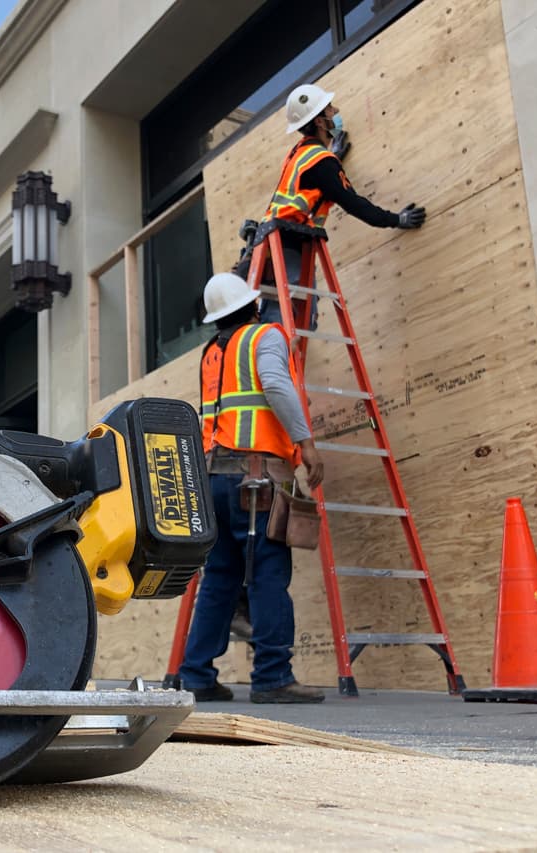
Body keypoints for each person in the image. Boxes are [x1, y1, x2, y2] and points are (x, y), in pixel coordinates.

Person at [179, 272, 326, 704]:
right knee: (267, 575)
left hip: (213, 480)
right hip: (255, 477)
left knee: (220, 577)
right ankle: (272, 677)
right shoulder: (265, 336)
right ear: (254, 305)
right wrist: (305, 442)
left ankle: (197, 676)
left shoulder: (212, 352)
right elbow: (277, 386)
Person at [237, 82, 428, 328]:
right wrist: (397, 220)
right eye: (329, 110)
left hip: (272, 244)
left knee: (281, 316)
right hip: (289, 246)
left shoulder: (298, 153)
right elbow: (356, 205)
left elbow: (313, 181)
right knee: (298, 323)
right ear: (319, 121)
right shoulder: (321, 162)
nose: (335, 112)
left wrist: (334, 158)